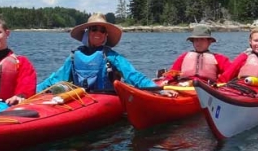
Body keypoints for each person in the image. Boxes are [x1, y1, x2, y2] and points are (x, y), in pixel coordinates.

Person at [37, 13, 166, 94]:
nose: (98, 33)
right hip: (81, 100)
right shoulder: (73, 57)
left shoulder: (111, 56)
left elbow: (133, 75)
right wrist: (28, 92)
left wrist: (158, 90)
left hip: (107, 99)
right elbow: (55, 79)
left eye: (102, 30)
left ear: (105, 35)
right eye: (94, 29)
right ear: (88, 32)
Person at [161, 24, 230, 85]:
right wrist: (167, 81)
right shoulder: (183, 57)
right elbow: (172, 73)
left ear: (209, 42)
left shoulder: (220, 59)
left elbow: (231, 73)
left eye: (202, 39)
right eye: (196, 40)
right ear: (192, 41)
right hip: (185, 86)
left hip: (207, 88)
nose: (198, 43)